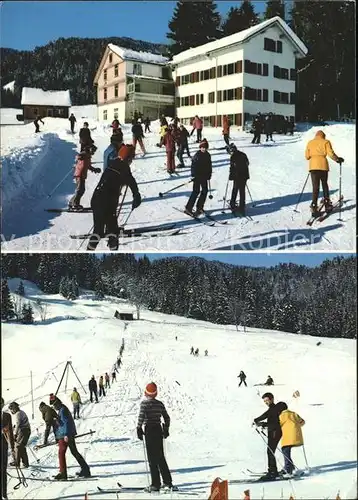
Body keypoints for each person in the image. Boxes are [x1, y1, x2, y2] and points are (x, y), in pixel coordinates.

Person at [87, 144, 141, 251]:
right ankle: (113, 251)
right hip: (106, 202)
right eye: (132, 158)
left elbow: (126, 179)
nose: (132, 160)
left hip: (97, 199)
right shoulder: (123, 166)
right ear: (128, 158)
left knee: (98, 231)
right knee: (111, 232)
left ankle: (90, 250)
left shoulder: (113, 163)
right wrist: (136, 195)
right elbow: (131, 181)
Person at [137, 383, 176, 492]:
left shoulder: (144, 404)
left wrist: (139, 428)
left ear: (146, 393)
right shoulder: (160, 404)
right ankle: (167, 482)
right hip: (158, 430)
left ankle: (155, 484)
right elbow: (167, 418)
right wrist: (166, 429)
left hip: (149, 430)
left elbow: (141, 417)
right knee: (160, 456)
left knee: (151, 458)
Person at [305, 130, 344, 216]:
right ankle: (327, 204)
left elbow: (307, 156)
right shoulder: (326, 142)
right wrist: (338, 159)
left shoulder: (310, 142)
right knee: (324, 185)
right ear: (323, 136)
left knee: (315, 187)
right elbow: (331, 154)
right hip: (323, 166)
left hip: (313, 167)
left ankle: (314, 206)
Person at [51, 396, 90, 480]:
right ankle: (86, 469)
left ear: (58, 403)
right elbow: (63, 422)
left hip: (65, 435)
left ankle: (63, 473)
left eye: (54, 405)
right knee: (74, 452)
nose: (54, 407)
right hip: (67, 434)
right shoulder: (62, 409)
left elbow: (66, 423)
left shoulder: (63, 410)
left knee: (61, 453)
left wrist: (66, 434)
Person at [253, 394, 287, 481]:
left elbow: (275, 422)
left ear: (272, 399)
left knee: (270, 451)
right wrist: (257, 420)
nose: (266, 402)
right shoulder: (272, 409)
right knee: (270, 451)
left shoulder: (275, 409)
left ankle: (272, 471)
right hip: (273, 431)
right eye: (264, 401)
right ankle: (272, 470)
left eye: (267, 400)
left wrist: (263, 423)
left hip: (275, 431)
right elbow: (266, 415)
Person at [184, 139, 212, 216]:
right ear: (200, 147)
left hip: (204, 176)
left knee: (205, 191)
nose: (204, 149)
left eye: (205, 147)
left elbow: (209, 166)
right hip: (197, 176)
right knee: (196, 191)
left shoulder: (208, 155)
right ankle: (188, 208)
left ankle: (199, 207)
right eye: (202, 147)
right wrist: (193, 175)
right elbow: (193, 166)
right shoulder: (197, 155)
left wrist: (209, 174)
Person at [279, 405, 305, 476]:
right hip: (297, 436)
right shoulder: (294, 414)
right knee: (286, 450)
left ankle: (288, 468)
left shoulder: (282, 415)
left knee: (285, 451)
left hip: (288, 437)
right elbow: (302, 422)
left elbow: (277, 424)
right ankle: (289, 467)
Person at [228, 143, 250, 215]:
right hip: (244, 175)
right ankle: (242, 207)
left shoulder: (233, 156)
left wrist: (231, 177)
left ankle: (232, 203)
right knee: (242, 191)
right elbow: (247, 163)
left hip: (238, 176)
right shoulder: (243, 154)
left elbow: (232, 168)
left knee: (235, 189)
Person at [8, 402, 31, 468]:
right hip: (25, 430)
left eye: (11, 409)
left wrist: (15, 434)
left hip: (24, 431)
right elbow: (18, 424)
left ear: (14, 408)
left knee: (18, 446)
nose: (11, 411)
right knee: (21, 446)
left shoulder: (18, 414)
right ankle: (25, 463)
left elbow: (18, 424)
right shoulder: (21, 412)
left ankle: (17, 462)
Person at [1, 398, 15, 500]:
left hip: (3, 445)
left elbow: (10, 432)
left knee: (3, 469)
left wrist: (13, 448)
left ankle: (4, 494)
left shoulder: (7, 416)